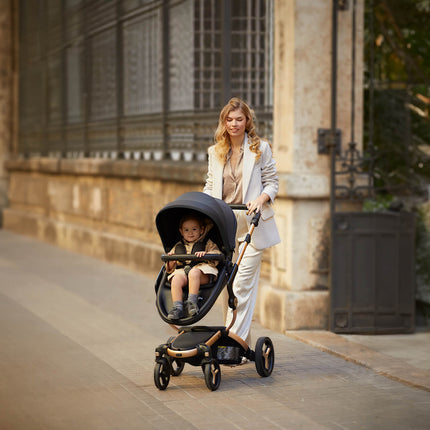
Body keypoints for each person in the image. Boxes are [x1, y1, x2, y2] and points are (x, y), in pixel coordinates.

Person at [203, 97, 280, 346]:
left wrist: (262, 198)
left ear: (247, 121)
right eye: (229, 119)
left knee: (241, 283)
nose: (234, 124)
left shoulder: (261, 149)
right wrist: (203, 208)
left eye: (239, 119)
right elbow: (211, 185)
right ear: (223, 123)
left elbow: (272, 182)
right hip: (224, 224)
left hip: (252, 225)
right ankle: (240, 337)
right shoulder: (215, 152)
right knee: (227, 285)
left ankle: (230, 342)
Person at [166, 214, 221, 320]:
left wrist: (206, 254)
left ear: (201, 230)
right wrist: (171, 260)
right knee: (176, 279)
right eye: (186, 230)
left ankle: (192, 302)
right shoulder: (178, 245)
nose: (190, 233)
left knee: (194, 272)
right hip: (184, 272)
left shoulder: (207, 243)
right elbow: (169, 268)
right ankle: (177, 307)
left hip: (202, 273)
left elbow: (217, 254)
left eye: (194, 229)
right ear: (181, 231)